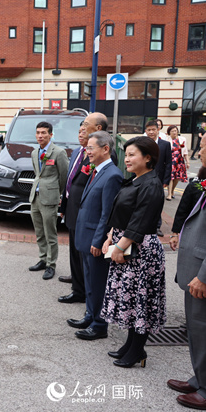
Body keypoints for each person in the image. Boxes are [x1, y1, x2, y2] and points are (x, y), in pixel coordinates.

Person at [167, 124, 206, 410]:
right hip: (197, 270)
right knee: (199, 331)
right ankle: (202, 378)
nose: (199, 151)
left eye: (203, 146)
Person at [100, 136, 166, 367]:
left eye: (132, 155)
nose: (126, 159)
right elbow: (122, 213)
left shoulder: (151, 184)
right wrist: (111, 235)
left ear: (147, 158)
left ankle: (137, 350)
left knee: (140, 301)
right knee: (129, 299)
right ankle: (130, 345)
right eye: (126, 155)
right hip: (127, 245)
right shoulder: (137, 179)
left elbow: (140, 220)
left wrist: (120, 246)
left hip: (140, 250)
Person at [68, 131, 123, 340]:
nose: (87, 152)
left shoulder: (112, 175)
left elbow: (107, 213)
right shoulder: (99, 171)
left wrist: (99, 240)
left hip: (95, 240)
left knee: (98, 283)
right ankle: (90, 315)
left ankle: (99, 325)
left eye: (91, 148)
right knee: (90, 281)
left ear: (105, 149)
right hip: (86, 236)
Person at [28, 121, 68, 280]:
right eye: (38, 132)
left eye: (44, 133)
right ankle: (43, 259)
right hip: (35, 197)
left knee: (50, 233)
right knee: (39, 232)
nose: (40, 136)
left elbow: (64, 177)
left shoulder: (59, 152)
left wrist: (57, 194)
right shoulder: (34, 152)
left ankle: (51, 265)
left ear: (51, 135)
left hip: (49, 198)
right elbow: (38, 174)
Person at [57, 124, 89, 303]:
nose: (80, 134)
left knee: (82, 252)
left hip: (83, 211)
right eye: (79, 132)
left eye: (84, 131)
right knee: (74, 251)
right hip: (71, 208)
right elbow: (69, 181)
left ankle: (83, 290)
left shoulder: (97, 155)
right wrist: (63, 206)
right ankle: (77, 284)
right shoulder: (77, 152)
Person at [169, 166, 206, 251]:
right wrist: (175, 233)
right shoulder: (195, 186)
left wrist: (175, 234)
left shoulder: (195, 185)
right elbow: (183, 210)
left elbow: (182, 210)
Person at [144, 120, 171, 236]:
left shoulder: (165, 144)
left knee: (158, 202)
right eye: (149, 130)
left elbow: (168, 163)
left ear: (158, 130)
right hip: (144, 176)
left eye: (153, 130)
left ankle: (157, 226)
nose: (151, 132)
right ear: (145, 131)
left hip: (159, 178)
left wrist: (166, 180)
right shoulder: (141, 144)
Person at [166, 125, 188, 200]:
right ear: (169, 132)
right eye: (172, 131)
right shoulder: (167, 140)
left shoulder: (182, 139)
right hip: (171, 160)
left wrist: (187, 162)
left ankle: (172, 190)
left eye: (175, 131)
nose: (174, 132)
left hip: (179, 161)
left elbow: (185, 151)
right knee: (171, 177)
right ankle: (169, 194)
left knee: (177, 177)